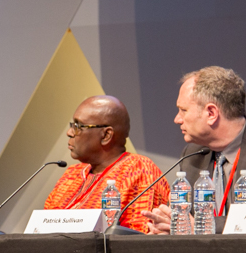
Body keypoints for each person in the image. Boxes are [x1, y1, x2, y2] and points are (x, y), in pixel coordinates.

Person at [145, 66, 246, 234]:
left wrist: (204, 226)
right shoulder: (192, 155)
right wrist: (168, 228)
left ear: (211, 113)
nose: (177, 119)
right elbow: (184, 221)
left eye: (183, 110)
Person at [44, 96, 168, 233]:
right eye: (72, 125)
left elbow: (138, 238)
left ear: (106, 135)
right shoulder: (71, 174)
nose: (70, 133)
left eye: (78, 126)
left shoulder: (139, 170)